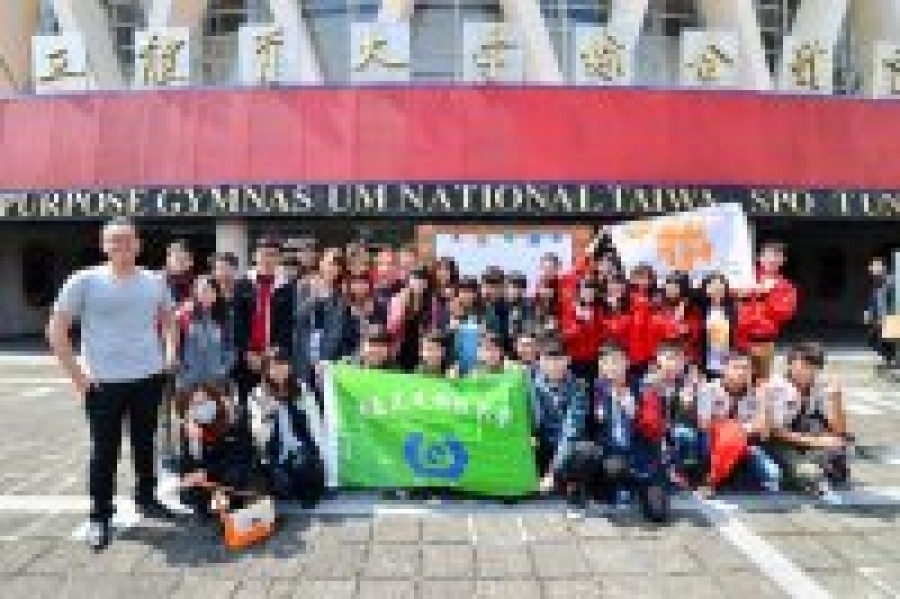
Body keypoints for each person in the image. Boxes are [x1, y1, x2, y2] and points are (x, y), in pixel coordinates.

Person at [47, 218, 181, 551]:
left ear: (138, 245)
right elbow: (56, 330)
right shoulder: (84, 281)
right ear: (103, 245)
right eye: (114, 242)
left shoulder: (154, 281)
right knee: (104, 451)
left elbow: (169, 320)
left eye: (127, 241)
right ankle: (100, 516)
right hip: (103, 383)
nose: (121, 247)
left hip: (148, 378)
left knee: (144, 444)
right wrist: (78, 376)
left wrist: (170, 354)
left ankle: (147, 499)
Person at [553, 344, 670, 522]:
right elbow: (583, 426)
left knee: (658, 514)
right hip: (609, 458)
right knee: (586, 452)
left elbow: (655, 431)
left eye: (617, 362)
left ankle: (632, 490)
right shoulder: (594, 389)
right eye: (607, 363)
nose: (612, 367)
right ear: (601, 366)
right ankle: (578, 496)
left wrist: (634, 412)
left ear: (627, 363)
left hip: (641, 460)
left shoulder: (645, 390)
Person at [768, 342, 850, 500]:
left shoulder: (819, 385)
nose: (806, 372)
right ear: (790, 365)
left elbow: (840, 430)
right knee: (809, 470)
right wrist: (816, 442)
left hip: (802, 435)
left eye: (812, 367)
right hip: (776, 440)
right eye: (801, 366)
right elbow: (775, 431)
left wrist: (837, 400)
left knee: (839, 442)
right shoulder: (777, 386)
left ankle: (809, 471)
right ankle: (804, 473)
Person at [248, 348, 326, 508]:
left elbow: (315, 423)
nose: (279, 370)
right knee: (280, 486)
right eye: (273, 366)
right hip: (275, 452)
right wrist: (266, 416)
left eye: (283, 364)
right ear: (266, 370)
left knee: (306, 470)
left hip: (301, 447)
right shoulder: (256, 395)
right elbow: (257, 436)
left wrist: (319, 453)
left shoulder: (302, 389)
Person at [696, 352, 781, 497]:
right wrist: (739, 428)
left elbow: (764, 434)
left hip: (743, 445)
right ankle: (710, 481)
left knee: (772, 475)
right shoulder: (708, 389)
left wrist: (763, 401)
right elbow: (703, 424)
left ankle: (730, 475)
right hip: (712, 441)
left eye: (746, 368)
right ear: (724, 369)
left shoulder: (756, 393)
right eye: (736, 367)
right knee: (730, 433)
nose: (741, 372)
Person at [177, 384, 264, 520]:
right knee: (188, 493)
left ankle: (237, 503)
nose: (202, 407)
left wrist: (206, 472)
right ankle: (211, 506)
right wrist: (195, 447)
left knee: (235, 476)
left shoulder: (233, 417)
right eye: (196, 404)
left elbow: (241, 455)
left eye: (205, 401)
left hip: (236, 472)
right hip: (210, 477)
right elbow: (186, 463)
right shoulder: (190, 427)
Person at [233, 237, 285, 421]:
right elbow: (237, 323)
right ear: (255, 256)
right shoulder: (242, 284)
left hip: (275, 357)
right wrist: (248, 352)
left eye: (273, 255)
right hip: (247, 357)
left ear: (279, 259)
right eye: (264, 254)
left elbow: (288, 323)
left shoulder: (287, 286)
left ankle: (272, 446)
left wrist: (275, 350)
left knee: (274, 406)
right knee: (246, 405)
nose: (268, 259)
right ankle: (247, 445)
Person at [736, 241, 798, 380]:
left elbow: (784, 314)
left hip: (765, 342)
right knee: (737, 380)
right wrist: (752, 291)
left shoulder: (786, 287)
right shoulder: (743, 278)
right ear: (759, 257)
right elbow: (729, 300)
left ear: (783, 261)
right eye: (768, 255)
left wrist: (764, 295)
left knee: (761, 382)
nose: (772, 259)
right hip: (739, 340)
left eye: (777, 256)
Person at [531, 341, 586, 484]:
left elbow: (570, 430)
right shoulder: (529, 382)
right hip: (540, 443)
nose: (553, 366)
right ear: (540, 361)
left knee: (586, 451)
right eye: (548, 360)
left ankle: (564, 481)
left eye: (558, 360)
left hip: (564, 444)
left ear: (568, 360)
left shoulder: (578, 387)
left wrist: (553, 471)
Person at [175, 275, 236, 394]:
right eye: (203, 290)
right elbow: (174, 343)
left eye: (210, 290)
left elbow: (231, 346)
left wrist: (223, 368)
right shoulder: (184, 314)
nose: (206, 294)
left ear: (216, 294)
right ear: (195, 292)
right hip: (188, 379)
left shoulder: (224, 316)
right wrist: (181, 368)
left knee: (215, 411)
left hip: (215, 378)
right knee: (187, 412)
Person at [389, 266, 439, 372]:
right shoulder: (398, 299)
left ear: (426, 284)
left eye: (422, 282)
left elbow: (432, 327)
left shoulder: (431, 302)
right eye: (415, 281)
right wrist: (403, 306)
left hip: (421, 347)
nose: (418, 285)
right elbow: (392, 328)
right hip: (401, 346)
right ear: (409, 281)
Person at [560, 278, 605, 384]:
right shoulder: (571, 309)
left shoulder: (598, 310)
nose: (589, 294)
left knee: (592, 389)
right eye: (585, 291)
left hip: (593, 359)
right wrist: (580, 322)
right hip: (575, 359)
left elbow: (601, 334)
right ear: (579, 292)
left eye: (592, 292)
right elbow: (566, 336)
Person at [698, 272, 738, 379]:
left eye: (720, 286)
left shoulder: (734, 309)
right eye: (712, 285)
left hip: (729, 363)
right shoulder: (700, 310)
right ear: (706, 289)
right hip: (706, 363)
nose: (716, 289)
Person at [864, 257, 896, 367]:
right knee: (872, 339)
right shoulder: (876, 285)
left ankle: (891, 360)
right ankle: (889, 359)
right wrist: (868, 312)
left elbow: (892, 302)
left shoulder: (891, 282)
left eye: (876, 272)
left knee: (888, 340)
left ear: (884, 270)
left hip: (892, 318)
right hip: (880, 319)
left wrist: (887, 317)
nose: (874, 275)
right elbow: (874, 301)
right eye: (873, 273)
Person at [165, 239, 195, 304]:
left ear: (191, 262)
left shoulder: (195, 288)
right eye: (176, 257)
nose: (177, 261)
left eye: (183, 259)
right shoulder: (155, 280)